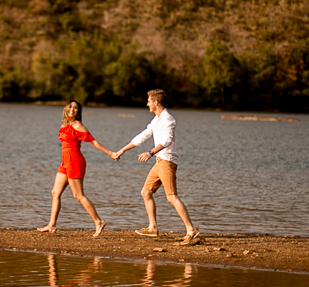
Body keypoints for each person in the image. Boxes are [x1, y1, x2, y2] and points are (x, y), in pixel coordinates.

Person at [113, 89, 201, 244]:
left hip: (166, 162)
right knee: (146, 192)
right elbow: (142, 136)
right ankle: (152, 227)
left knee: (171, 196)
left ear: (155, 102)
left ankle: (191, 230)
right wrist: (122, 150)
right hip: (159, 162)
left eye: (148, 101)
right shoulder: (156, 120)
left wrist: (150, 152)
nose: (147, 103)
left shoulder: (168, 119)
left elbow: (167, 141)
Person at [38, 100, 117, 237]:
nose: (72, 110)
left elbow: (93, 142)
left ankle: (98, 222)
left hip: (75, 161)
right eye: (70, 107)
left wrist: (110, 153)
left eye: (75, 108)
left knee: (78, 195)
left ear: (78, 112)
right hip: (65, 162)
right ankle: (51, 225)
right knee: (55, 193)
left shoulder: (78, 126)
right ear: (66, 109)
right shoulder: (64, 125)